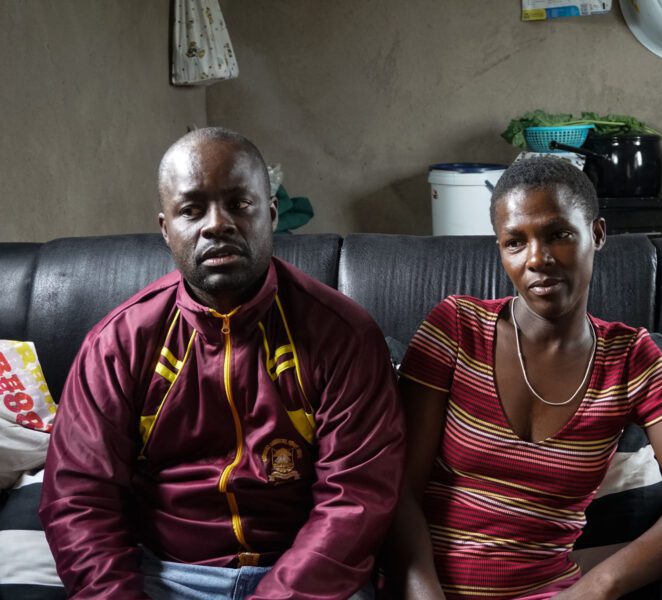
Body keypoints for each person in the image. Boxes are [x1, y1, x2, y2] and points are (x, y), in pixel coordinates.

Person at [39, 127, 405, 600]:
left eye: (239, 203)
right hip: (165, 575)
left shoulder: (344, 335)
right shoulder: (118, 344)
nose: (217, 225)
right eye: (192, 210)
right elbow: (79, 500)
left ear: (271, 214)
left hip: (309, 578)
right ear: (166, 229)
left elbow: (355, 499)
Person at [390, 157, 662, 599]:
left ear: (597, 234)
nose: (537, 259)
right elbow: (398, 488)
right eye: (515, 242)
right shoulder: (457, 328)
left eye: (558, 234)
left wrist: (599, 586)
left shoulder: (629, 359)